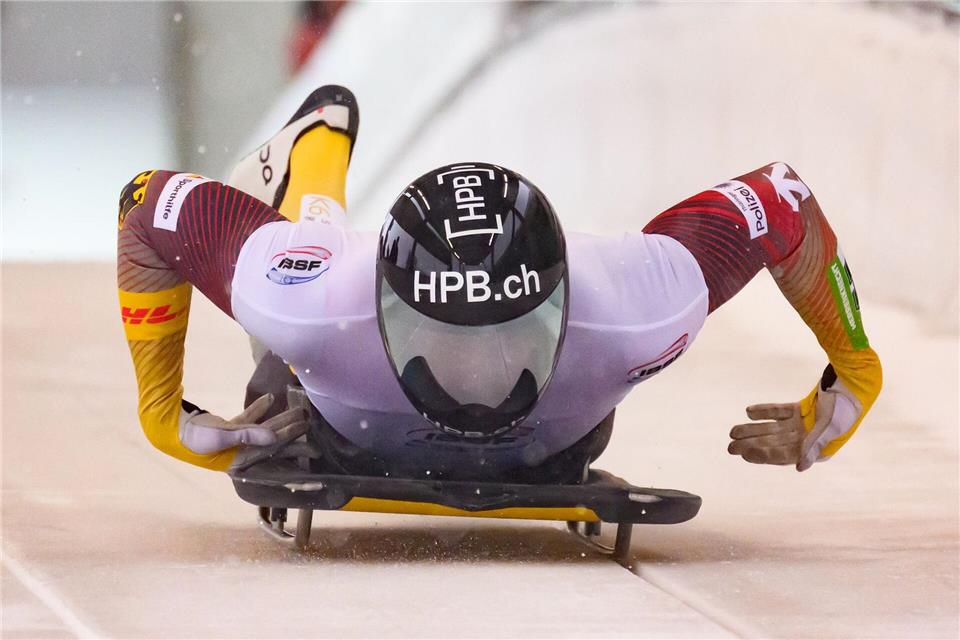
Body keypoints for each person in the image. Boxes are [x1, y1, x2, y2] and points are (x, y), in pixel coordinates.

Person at [116, 85, 882, 481]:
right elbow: (147, 204)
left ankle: (320, 143)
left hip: (359, 412)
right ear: (384, 307)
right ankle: (313, 149)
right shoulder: (310, 300)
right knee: (300, 283)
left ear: (563, 301)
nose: (477, 375)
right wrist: (158, 414)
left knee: (296, 316)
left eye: (511, 331)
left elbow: (782, 197)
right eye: (441, 335)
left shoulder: (633, 304)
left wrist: (857, 376)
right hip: (355, 349)